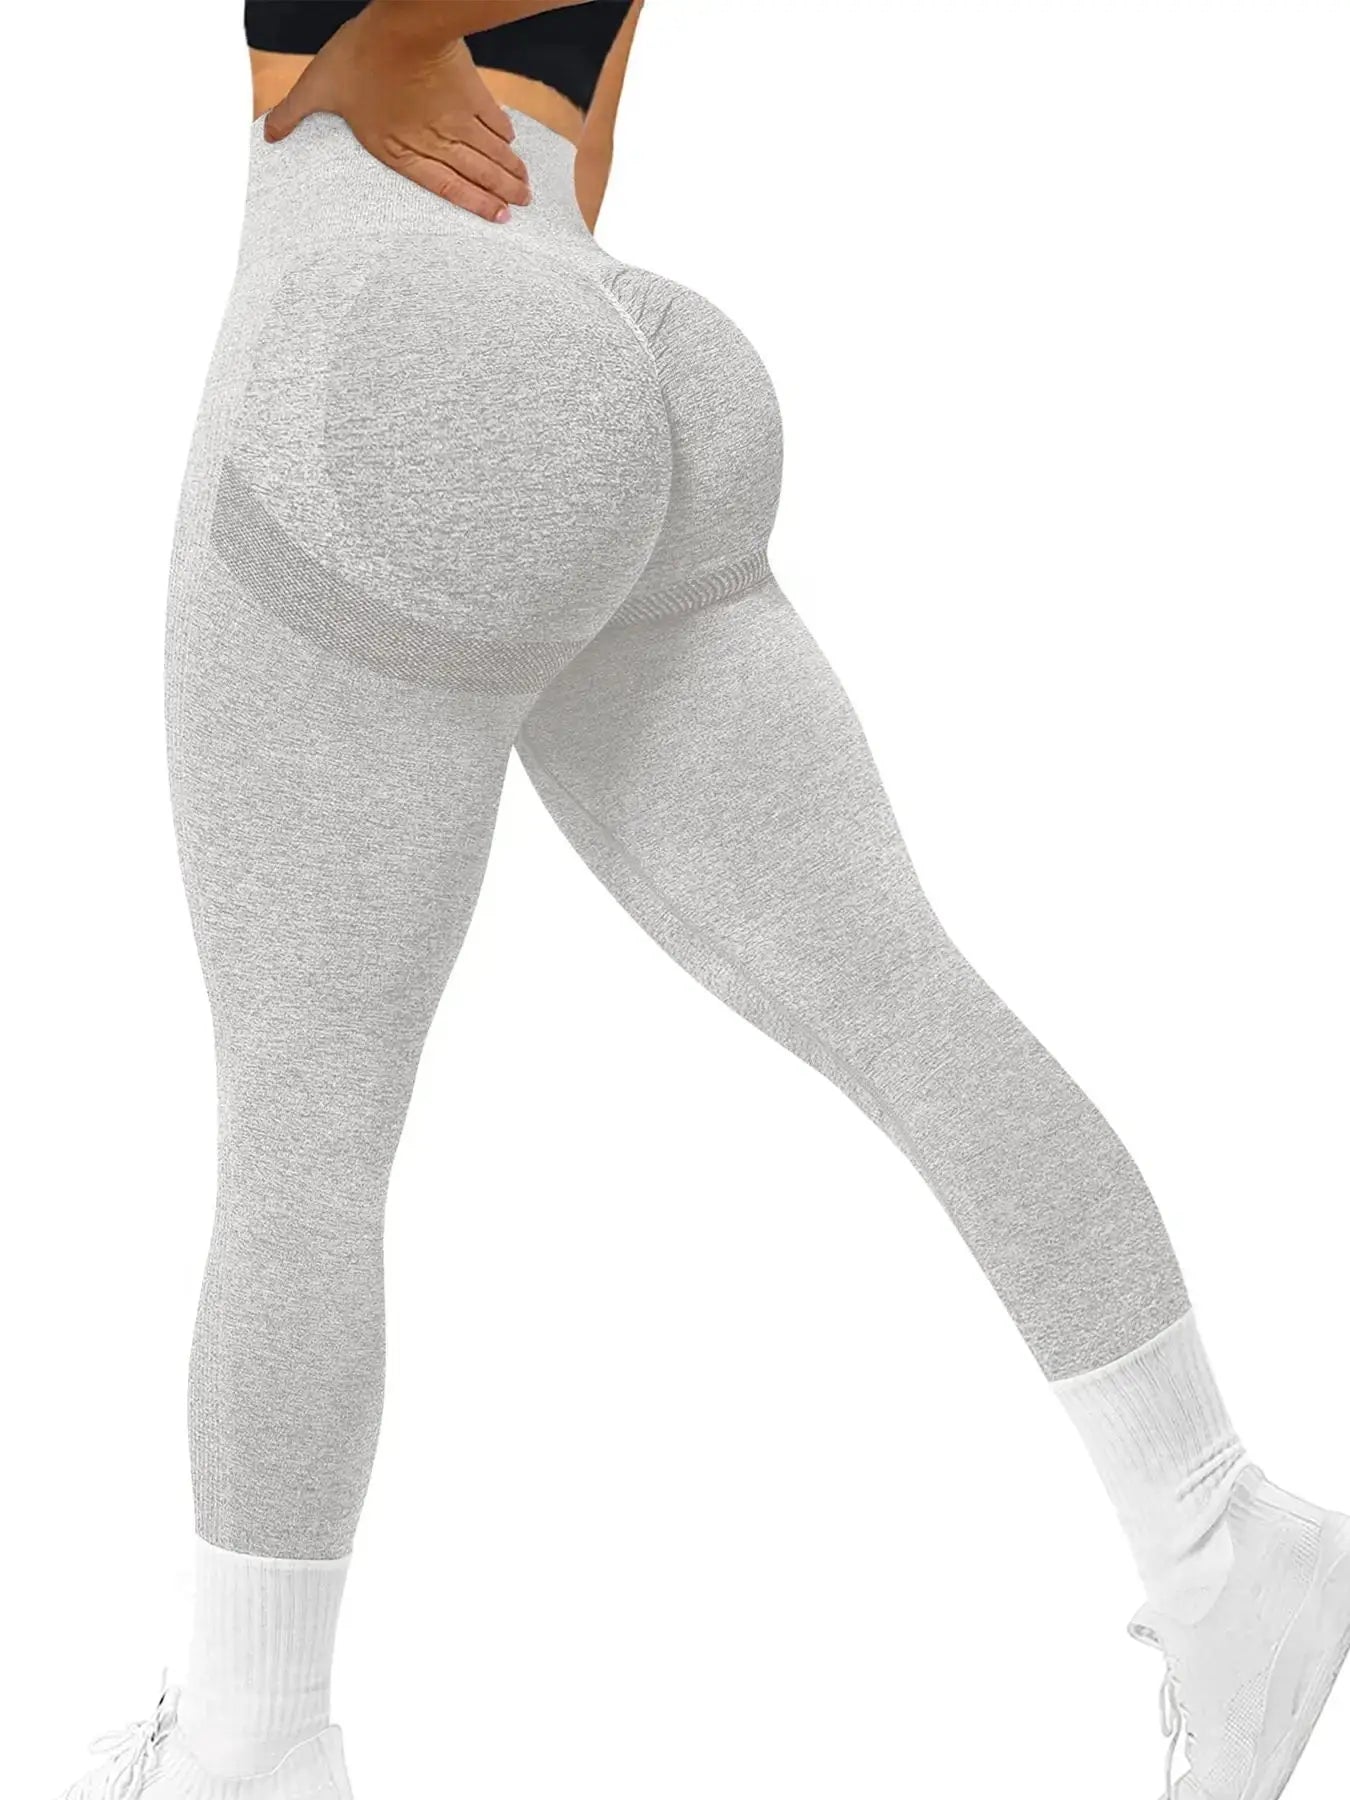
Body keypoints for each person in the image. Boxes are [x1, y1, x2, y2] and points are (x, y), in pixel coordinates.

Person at [60, 5, 1349, 1798]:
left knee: (301, 1131)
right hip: (616, 333)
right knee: (900, 991)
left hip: (376, 342)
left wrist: (375, 35)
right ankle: (1219, 1535)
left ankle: (251, 1746)